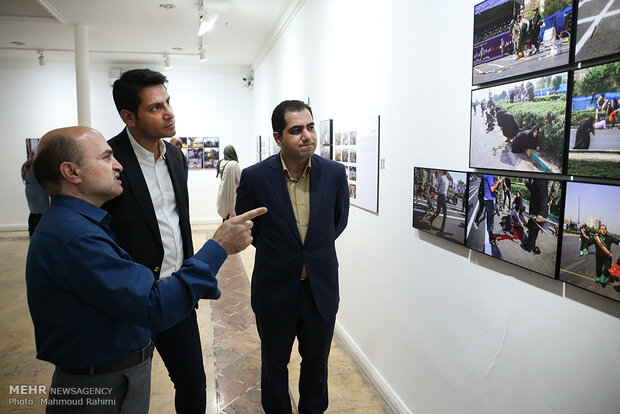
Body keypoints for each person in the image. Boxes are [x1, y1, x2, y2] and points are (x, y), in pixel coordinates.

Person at [26, 126, 265, 413]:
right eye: (106, 158)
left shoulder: (81, 226)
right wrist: (219, 246)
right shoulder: (75, 237)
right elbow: (153, 305)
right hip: (100, 386)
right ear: (71, 172)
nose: (117, 165)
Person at [102, 68, 206, 413]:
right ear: (128, 116)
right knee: (127, 390)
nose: (169, 113)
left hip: (176, 293)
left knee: (192, 382)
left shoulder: (176, 156)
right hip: (131, 300)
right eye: (155, 107)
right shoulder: (109, 160)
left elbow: (179, 222)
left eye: (168, 102)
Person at [235, 100, 349, 413]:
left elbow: (336, 224)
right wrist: (285, 252)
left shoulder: (335, 174)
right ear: (278, 137)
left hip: (319, 290)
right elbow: (249, 228)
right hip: (275, 289)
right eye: (296, 130)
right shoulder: (256, 177)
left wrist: (308, 252)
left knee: (317, 365)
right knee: (274, 365)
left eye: (310, 127)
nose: (307, 135)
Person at [21, 159, 49, 236]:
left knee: (33, 212)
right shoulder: (37, 166)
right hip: (39, 191)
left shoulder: (25, 166)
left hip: (29, 191)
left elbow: (23, 178)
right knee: (41, 212)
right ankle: (39, 232)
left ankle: (31, 231)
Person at [521, 179, 549, 254]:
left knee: (533, 231)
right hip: (535, 211)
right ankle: (531, 245)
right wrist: (527, 183)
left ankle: (528, 247)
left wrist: (541, 213)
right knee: (532, 230)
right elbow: (534, 190)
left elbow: (544, 198)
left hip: (538, 212)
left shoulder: (541, 180)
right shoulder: (537, 180)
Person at [473, 174, 502, 246]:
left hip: (487, 196)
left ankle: (490, 233)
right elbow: (490, 187)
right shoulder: (489, 175)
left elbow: (491, 187)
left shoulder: (491, 176)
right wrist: (497, 183)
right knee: (481, 209)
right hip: (482, 194)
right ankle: (476, 221)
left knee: (489, 215)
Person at [216, 145, 241, 221]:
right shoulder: (234, 164)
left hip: (223, 191)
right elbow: (240, 179)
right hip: (233, 192)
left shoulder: (221, 162)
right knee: (233, 212)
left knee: (225, 213)